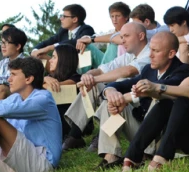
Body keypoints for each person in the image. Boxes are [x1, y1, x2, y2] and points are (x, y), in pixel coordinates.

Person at [123, 33, 189, 172]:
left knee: (184, 100)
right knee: (167, 103)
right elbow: (170, 98)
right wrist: (148, 92)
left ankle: (161, 159)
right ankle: (131, 158)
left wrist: (157, 86)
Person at [94, 31, 189, 169]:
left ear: (171, 54)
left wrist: (127, 97)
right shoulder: (149, 69)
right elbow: (122, 84)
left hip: (162, 137)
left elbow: (160, 89)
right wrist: (110, 91)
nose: (150, 55)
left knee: (160, 98)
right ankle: (111, 156)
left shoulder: (183, 71)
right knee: (110, 101)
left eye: (156, 51)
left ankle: (145, 154)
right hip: (142, 131)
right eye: (150, 49)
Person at [62, 22, 151, 151]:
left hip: (138, 113)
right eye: (121, 37)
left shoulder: (150, 54)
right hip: (126, 105)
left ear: (141, 36)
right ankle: (75, 135)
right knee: (94, 87)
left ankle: (103, 136)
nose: (122, 41)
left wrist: (94, 79)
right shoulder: (129, 55)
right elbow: (104, 69)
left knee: (113, 92)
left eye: (126, 36)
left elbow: (128, 71)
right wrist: (88, 75)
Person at [42, 44, 81, 140]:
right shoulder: (50, 78)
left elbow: (56, 88)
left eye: (54, 57)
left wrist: (44, 81)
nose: (50, 60)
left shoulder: (77, 78)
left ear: (64, 60)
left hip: (71, 124)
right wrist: (45, 78)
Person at [30, 4, 95, 58]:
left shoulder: (87, 29)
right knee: (40, 56)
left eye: (64, 16)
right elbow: (47, 42)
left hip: (85, 68)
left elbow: (75, 42)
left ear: (74, 19)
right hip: (65, 66)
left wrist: (50, 48)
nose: (61, 19)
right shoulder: (63, 31)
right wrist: (35, 51)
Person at [0, 26, 27, 99]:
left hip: (19, 97)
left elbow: (9, 80)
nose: (2, 46)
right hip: (3, 99)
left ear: (18, 46)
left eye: (6, 43)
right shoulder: (3, 62)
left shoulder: (25, 62)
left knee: (1, 89)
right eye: (2, 42)